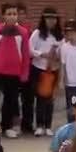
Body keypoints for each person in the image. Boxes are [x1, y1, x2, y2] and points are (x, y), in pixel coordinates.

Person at [0, 3, 31, 137]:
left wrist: (24, 73)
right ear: (3, 16)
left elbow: (26, 54)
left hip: (14, 72)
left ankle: (7, 126)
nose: (12, 17)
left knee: (10, 100)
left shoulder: (23, 32)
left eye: (14, 14)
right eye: (9, 14)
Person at [27, 8, 63, 136]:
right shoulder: (37, 33)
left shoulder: (59, 36)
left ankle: (48, 125)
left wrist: (57, 56)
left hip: (53, 69)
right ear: (44, 19)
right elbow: (30, 50)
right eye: (48, 18)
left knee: (50, 98)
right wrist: (42, 54)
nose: (51, 21)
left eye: (53, 18)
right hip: (39, 68)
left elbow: (62, 51)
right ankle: (39, 125)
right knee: (41, 97)